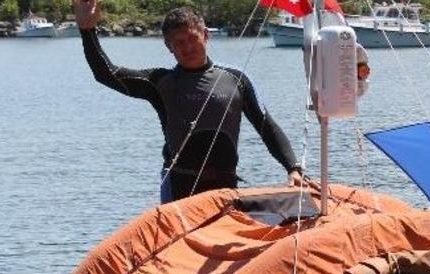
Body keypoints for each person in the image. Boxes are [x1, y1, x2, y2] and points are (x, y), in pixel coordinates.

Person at [73, 0, 303, 202]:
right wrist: (87, 30)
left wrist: (293, 168)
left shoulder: (236, 80)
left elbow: (266, 126)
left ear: (206, 35)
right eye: (179, 42)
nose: (187, 47)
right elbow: (106, 74)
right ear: (168, 46)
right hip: (178, 188)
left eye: (192, 38)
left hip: (225, 186)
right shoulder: (159, 82)